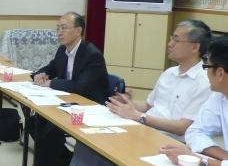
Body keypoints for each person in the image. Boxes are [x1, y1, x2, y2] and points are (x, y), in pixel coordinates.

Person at [71, 19, 213, 166]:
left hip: (169, 142)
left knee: (106, 151)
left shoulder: (204, 82)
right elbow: (147, 105)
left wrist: (138, 116)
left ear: (194, 47)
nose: (170, 43)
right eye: (172, 38)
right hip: (143, 130)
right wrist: (127, 103)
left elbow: (181, 128)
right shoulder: (169, 73)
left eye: (176, 39)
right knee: (89, 142)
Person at [29, 12, 109, 166]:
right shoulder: (62, 50)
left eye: (64, 28)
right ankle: (64, 158)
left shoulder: (92, 55)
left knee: (46, 128)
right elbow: (51, 67)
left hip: (89, 106)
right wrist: (40, 74)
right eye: (58, 28)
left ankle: (58, 160)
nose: (59, 32)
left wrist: (50, 83)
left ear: (78, 31)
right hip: (68, 101)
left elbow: (79, 86)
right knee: (35, 123)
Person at [160, 37, 228, 166]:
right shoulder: (219, 96)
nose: (206, 73)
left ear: (220, 73)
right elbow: (195, 132)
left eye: (207, 67)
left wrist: (200, 161)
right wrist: (225, 157)